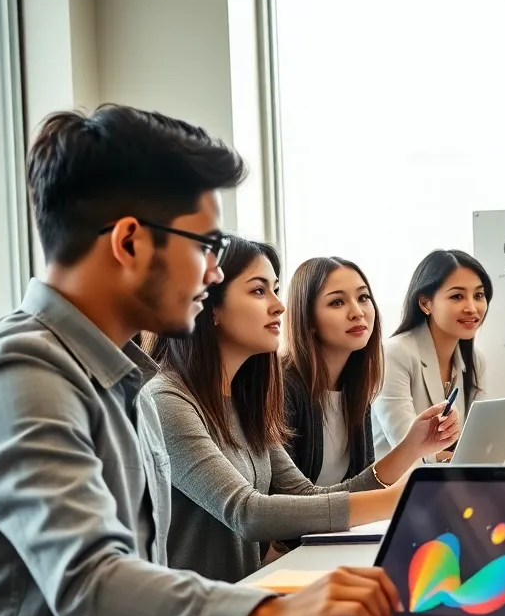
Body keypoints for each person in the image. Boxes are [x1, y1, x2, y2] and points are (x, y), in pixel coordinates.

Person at [0, 106, 404, 616]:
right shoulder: (25, 373)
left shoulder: (125, 379)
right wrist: (272, 613)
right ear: (129, 242)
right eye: (207, 247)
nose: (215, 272)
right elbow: (92, 585)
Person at [145, 238, 459, 583]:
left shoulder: (245, 400)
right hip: (199, 609)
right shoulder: (166, 400)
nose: (280, 306)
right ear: (208, 306)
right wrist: (397, 499)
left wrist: (411, 448)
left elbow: (307, 496)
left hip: (244, 595)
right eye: (259, 291)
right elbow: (248, 513)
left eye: (275, 290)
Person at [373, 249, 491, 461]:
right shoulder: (393, 354)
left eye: (479, 295)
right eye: (457, 296)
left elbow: (478, 441)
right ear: (425, 303)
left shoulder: (475, 360)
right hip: (398, 479)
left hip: (449, 476)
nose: (472, 308)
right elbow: (407, 447)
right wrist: (456, 460)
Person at [282, 256, 382, 487]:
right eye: (337, 302)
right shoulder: (282, 386)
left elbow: (364, 483)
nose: (357, 312)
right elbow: (288, 495)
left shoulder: (355, 385)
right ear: (308, 319)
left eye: (363, 297)